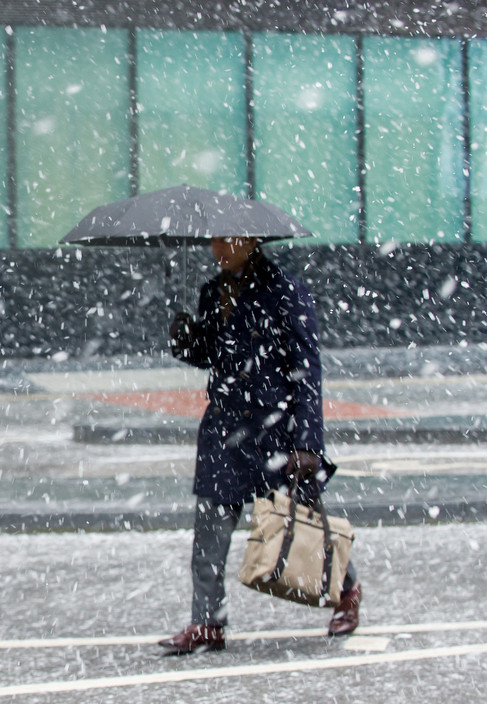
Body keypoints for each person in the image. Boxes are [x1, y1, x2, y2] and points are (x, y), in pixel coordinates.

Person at [159, 235, 361, 655]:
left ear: (251, 241)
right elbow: (212, 353)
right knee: (210, 529)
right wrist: (185, 340)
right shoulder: (212, 292)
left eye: (226, 241)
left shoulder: (285, 290)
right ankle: (206, 621)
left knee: (303, 521)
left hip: (275, 429)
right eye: (214, 241)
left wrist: (308, 442)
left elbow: (306, 369)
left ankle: (347, 589)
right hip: (224, 429)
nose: (217, 250)